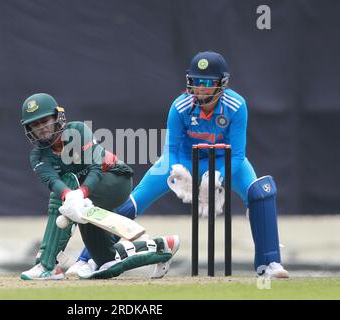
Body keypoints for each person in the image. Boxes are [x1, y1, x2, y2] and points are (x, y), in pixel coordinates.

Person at [69, 51, 289, 279]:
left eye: (207, 83)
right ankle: (89, 259)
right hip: (183, 160)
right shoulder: (180, 105)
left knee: (259, 193)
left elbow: (238, 155)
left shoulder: (236, 105)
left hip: (225, 159)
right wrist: (176, 172)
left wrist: (218, 177)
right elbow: (170, 150)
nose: (200, 89)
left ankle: (270, 264)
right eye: (195, 82)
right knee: (134, 201)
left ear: (221, 84)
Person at [19, 92, 180, 280]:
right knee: (105, 262)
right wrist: (71, 196)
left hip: (114, 179)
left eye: (44, 120)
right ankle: (161, 247)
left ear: (57, 117)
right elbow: (53, 182)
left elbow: (95, 167)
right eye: (35, 124)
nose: (41, 128)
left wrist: (80, 193)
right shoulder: (37, 156)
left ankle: (47, 264)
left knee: (69, 188)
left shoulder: (77, 130)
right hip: (86, 199)